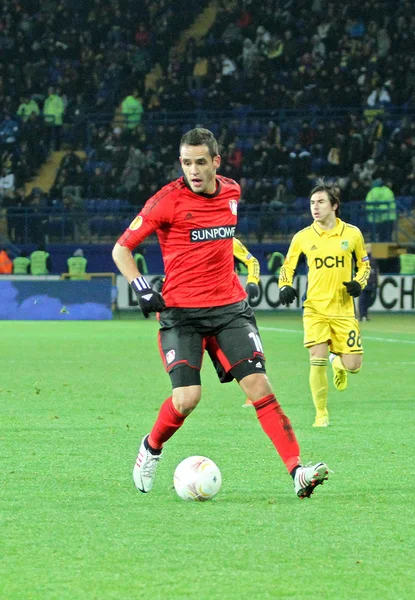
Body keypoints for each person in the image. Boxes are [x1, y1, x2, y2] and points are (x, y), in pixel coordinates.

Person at [112, 127, 328, 499]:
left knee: (260, 387)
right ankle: (150, 448)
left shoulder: (232, 191)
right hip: (181, 314)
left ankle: (297, 471)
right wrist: (141, 287)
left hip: (229, 309)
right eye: (185, 163)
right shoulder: (165, 201)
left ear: (215, 161)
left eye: (199, 162)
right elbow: (121, 249)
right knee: (187, 399)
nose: (192, 171)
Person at [278, 181, 371, 427]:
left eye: (320, 202)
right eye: (312, 203)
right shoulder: (303, 237)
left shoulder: (352, 234)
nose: (315, 207)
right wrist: (284, 285)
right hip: (315, 309)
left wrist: (359, 283)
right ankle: (321, 414)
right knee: (315, 358)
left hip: (343, 310)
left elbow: (364, 265)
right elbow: (287, 267)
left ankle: (337, 362)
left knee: (354, 366)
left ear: (334, 206)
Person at [359, 243, 379, 322]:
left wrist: (377, 281)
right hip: (364, 281)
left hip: (371, 282)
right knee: (362, 299)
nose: (369, 250)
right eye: (368, 248)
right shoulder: (363, 258)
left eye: (370, 248)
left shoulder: (373, 259)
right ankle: (361, 315)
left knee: (369, 299)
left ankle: (365, 314)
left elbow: (376, 271)